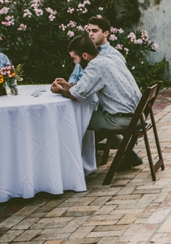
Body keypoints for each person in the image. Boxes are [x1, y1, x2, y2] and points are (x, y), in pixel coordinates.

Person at [51, 35, 143, 169]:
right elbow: (83, 87)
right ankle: (128, 154)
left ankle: (75, 164)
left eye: (74, 58)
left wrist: (59, 91)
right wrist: (67, 85)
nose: (74, 62)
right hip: (139, 115)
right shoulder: (110, 57)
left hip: (124, 119)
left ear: (85, 55)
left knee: (80, 118)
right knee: (96, 116)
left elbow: (75, 95)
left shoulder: (95, 66)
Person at [68, 16, 125, 84]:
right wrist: (69, 87)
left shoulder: (115, 56)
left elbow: (116, 84)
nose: (90, 34)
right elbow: (74, 76)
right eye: (89, 31)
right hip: (77, 90)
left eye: (95, 31)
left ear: (106, 33)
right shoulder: (84, 51)